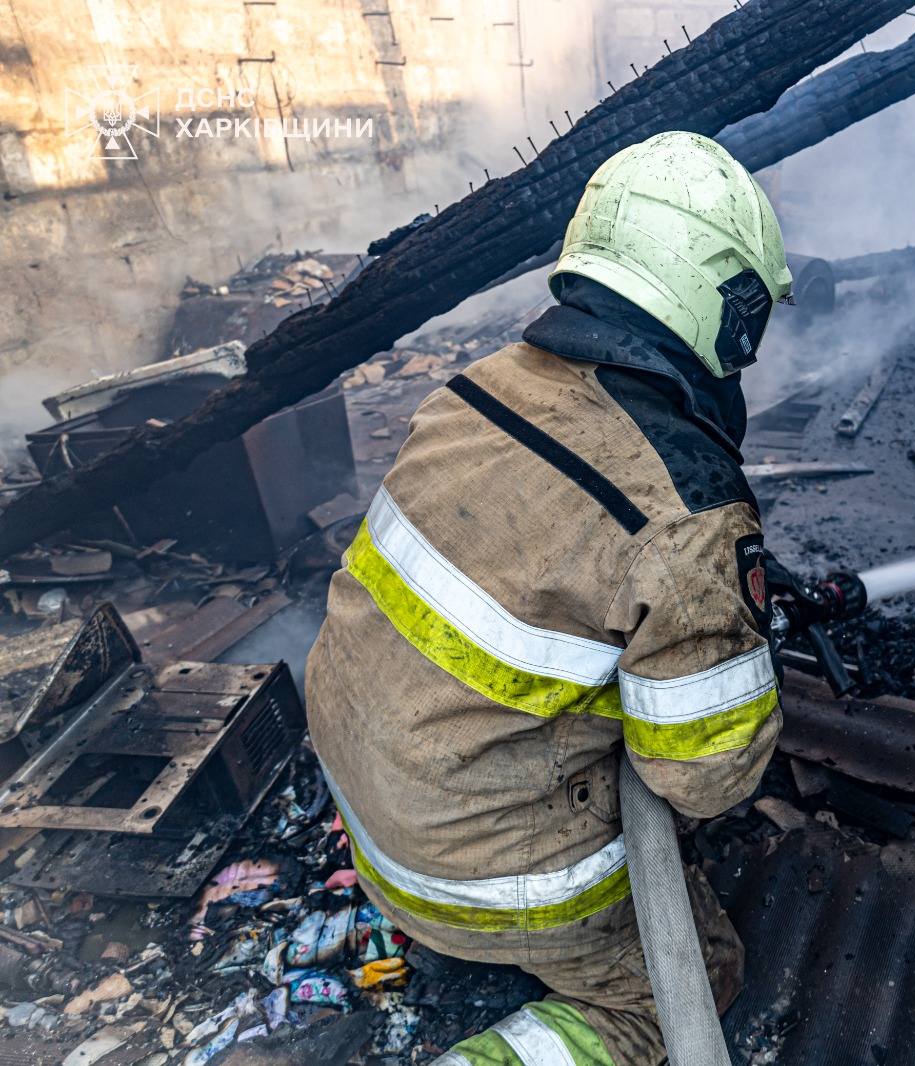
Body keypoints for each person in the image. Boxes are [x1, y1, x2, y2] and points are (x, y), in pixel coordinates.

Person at [305, 130, 793, 1065]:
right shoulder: (682, 512)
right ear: (724, 305)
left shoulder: (476, 389)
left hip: (363, 797)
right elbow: (705, 779)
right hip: (467, 874)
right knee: (688, 983)